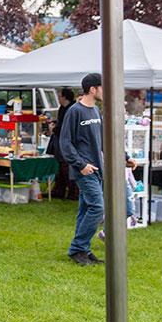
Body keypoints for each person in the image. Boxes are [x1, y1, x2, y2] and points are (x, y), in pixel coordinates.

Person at [59, 73, 135, 266]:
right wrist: (81, 165)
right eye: (103, 87)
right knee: (97, 207)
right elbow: (65, 143)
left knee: (86, 209)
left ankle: (82, 250)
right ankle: (78, 248)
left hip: (98, 169)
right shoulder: (75, 111)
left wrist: (125, 157)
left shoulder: (95, 111)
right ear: (93, 89)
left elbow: (105, 141)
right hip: (84, 170)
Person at [50, 88, 78, 200]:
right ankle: (59, 190)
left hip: (67, 142)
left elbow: (67, 127)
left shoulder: (72, 109)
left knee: (67, 167)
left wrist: (54, 129)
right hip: (60, 141)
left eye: (59, 96)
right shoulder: (62, 108)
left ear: (65, 97)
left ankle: (73, 192)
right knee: (60, 167)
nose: (58, 99)